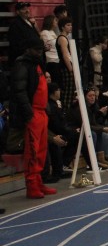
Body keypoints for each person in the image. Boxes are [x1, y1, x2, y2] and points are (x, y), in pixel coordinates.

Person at [10, 37, 55, 198]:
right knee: (33, 152)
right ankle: (31, 185)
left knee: (41, 150)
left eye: (41, 50)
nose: (39, 52)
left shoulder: (36, 64)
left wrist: (46, 109)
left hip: (41, 111)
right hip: (33, 113)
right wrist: (29, 113)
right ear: (28, 49)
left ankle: (39, 181)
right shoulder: (22, 65)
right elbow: (20, 91)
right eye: (37, 50)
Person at [8, 1, 42, 70]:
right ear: (17, 12)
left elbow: (36, 38)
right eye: (23, 9)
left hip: (33, 60)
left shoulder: (30, 23)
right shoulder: (15, 24)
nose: (27, 11)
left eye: (27, 8)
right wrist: (31, 51)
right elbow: (16, 44)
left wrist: (42, 47)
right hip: (24, 62)